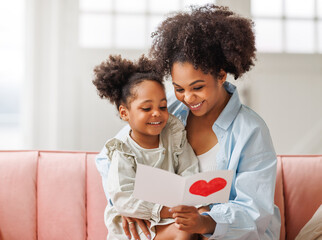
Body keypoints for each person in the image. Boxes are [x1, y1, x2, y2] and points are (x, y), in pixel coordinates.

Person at [112, 4, 280, 239]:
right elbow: (112, 154)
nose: (188, 98)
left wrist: (204, 222)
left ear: (221, 76)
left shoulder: (251, 131)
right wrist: (127, 203)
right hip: (170, 225)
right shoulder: (166, 108)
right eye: (179, 88)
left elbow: (254, 213)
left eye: (198, 87)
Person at [93, 55, 205, 240]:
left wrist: (190, 201)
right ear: (124, 113)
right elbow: (122, 197)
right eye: (146, 109)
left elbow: (189, 168)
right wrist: (164, 210)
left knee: (197, 221)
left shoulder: (173, 131)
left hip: (172, 212)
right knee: (184, 229)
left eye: (163, 106)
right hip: (138, 221)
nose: (157, 114)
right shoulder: (122, 150)